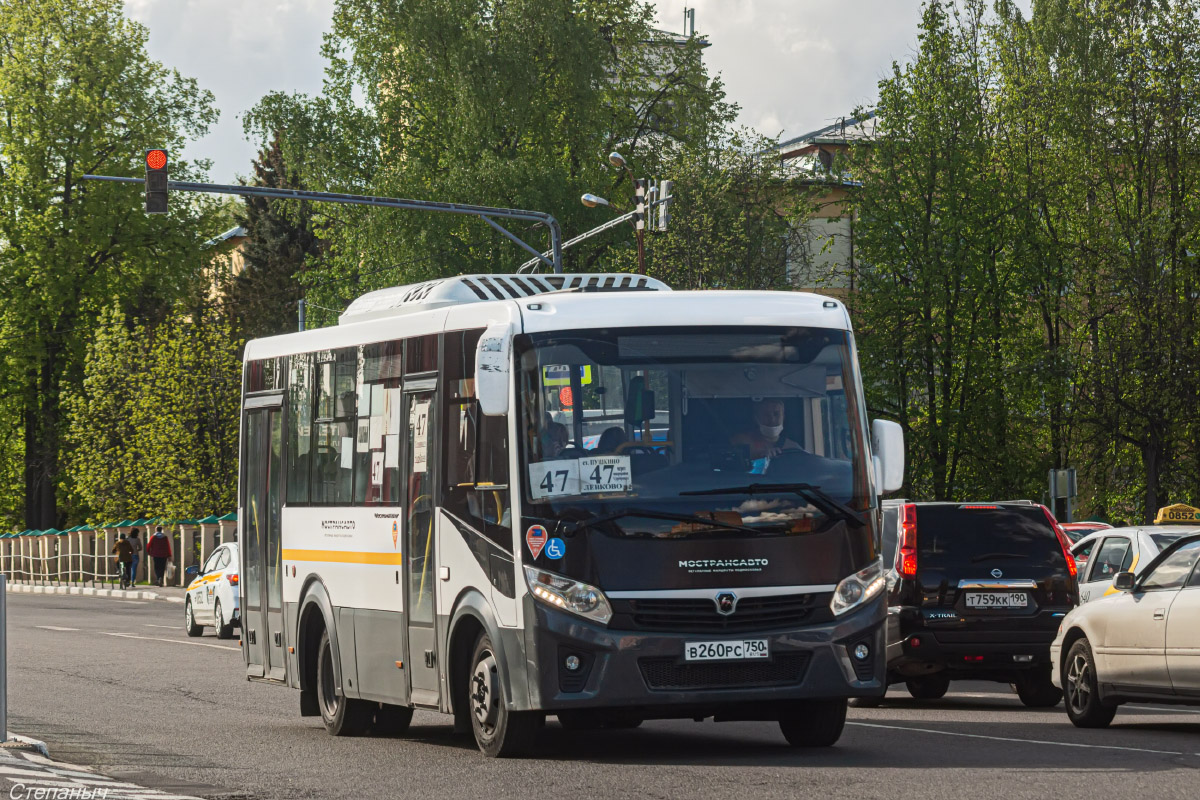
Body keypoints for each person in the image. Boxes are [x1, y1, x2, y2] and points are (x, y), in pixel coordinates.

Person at [730, 398, 802, 460]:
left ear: (783, 416)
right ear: (756, 418)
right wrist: (758, 456)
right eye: (766, 414)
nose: (772, 419)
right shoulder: (741, 441)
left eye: (776, 414)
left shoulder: (794, 448)